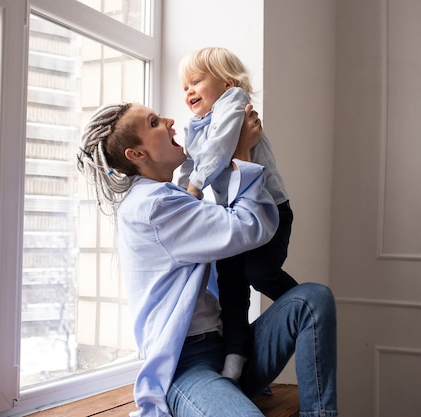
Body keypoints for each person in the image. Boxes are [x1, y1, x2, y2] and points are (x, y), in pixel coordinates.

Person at [77, 101, 337, 417]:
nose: (171, 121)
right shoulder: (153, 206)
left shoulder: (167, 197)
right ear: (137, 154)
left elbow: (210, 211)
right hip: (188, 367)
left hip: (229, 349)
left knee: (311, 299)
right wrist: (241, 153)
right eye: (155, 122)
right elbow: (250, 226)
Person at [178, 46, 298, 380]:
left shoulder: (234, 102)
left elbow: (219, 148)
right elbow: (190, 161)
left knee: (259, 273)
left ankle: (302, 305)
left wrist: (195, 186)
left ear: (228, 81)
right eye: (184, 86)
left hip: (270, 210)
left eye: (196, 81)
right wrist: (182, 189)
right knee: (229, 288)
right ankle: (235, 358)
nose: (188, 91)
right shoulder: (197, 124)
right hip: (234, 213)